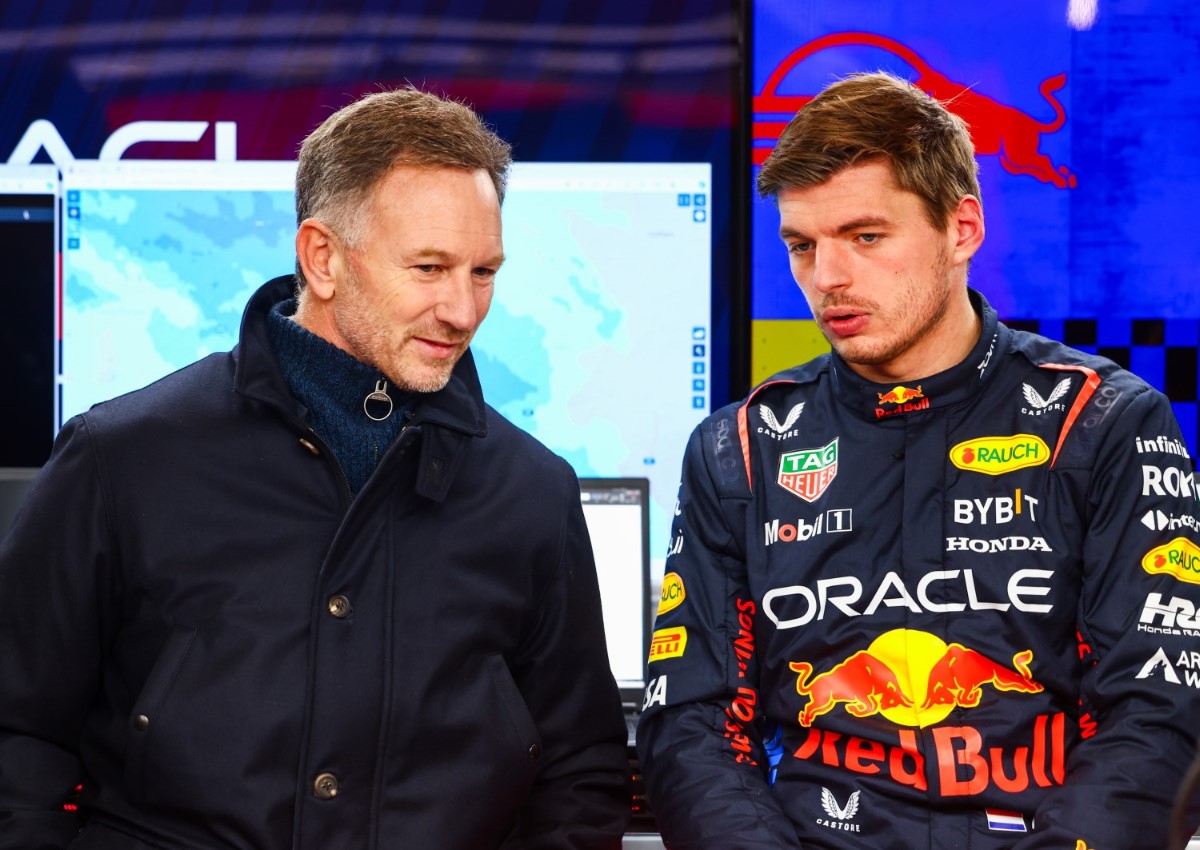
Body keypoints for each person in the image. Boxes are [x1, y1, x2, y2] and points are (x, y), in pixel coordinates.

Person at [0, 87, 631, 849]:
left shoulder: (533, 492)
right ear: (323, 257)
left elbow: (580, 770)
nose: (463, 310)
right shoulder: (121, 457)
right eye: (429, 268)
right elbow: (18, 733)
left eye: (484, 272)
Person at [637, 71, 1200, 849]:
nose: (826, 278)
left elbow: (1160, 708)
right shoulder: (741, 448)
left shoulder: (1105, 422)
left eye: (866, 237)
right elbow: (689, 725)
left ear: (962, 228)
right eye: (803, 246)